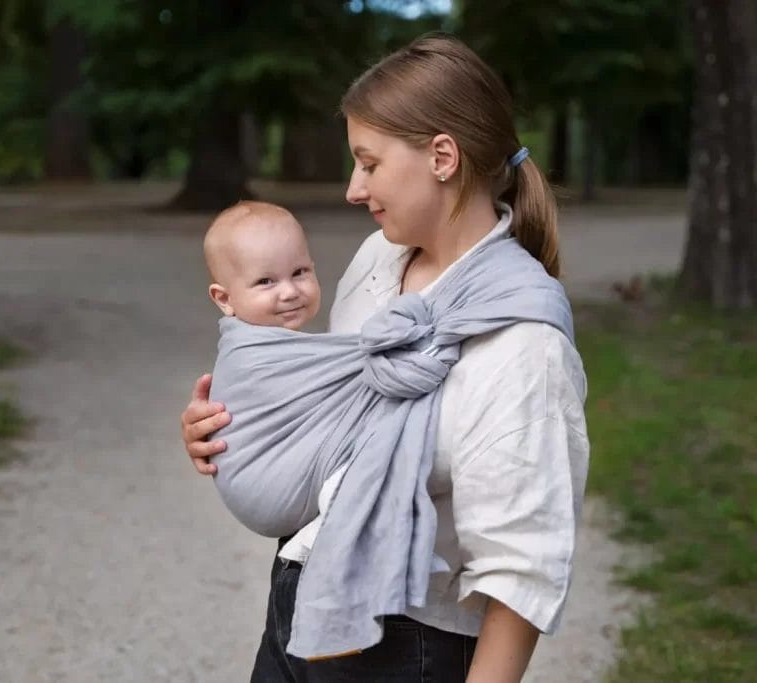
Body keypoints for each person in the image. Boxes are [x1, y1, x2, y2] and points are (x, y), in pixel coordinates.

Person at [180, 34, 589, 683]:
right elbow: (338, 413)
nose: (352, 188)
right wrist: (235, 429)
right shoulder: (380, 260)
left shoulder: (524, 342)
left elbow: (523, 571)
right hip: (304, 597)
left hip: (406, 645)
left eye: (368, 163)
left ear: (442, 157)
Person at [203, 200, 321, 331]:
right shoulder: (256, 350)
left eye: (298, 272)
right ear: (225, 299)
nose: (290, 292)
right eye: (265, 281)